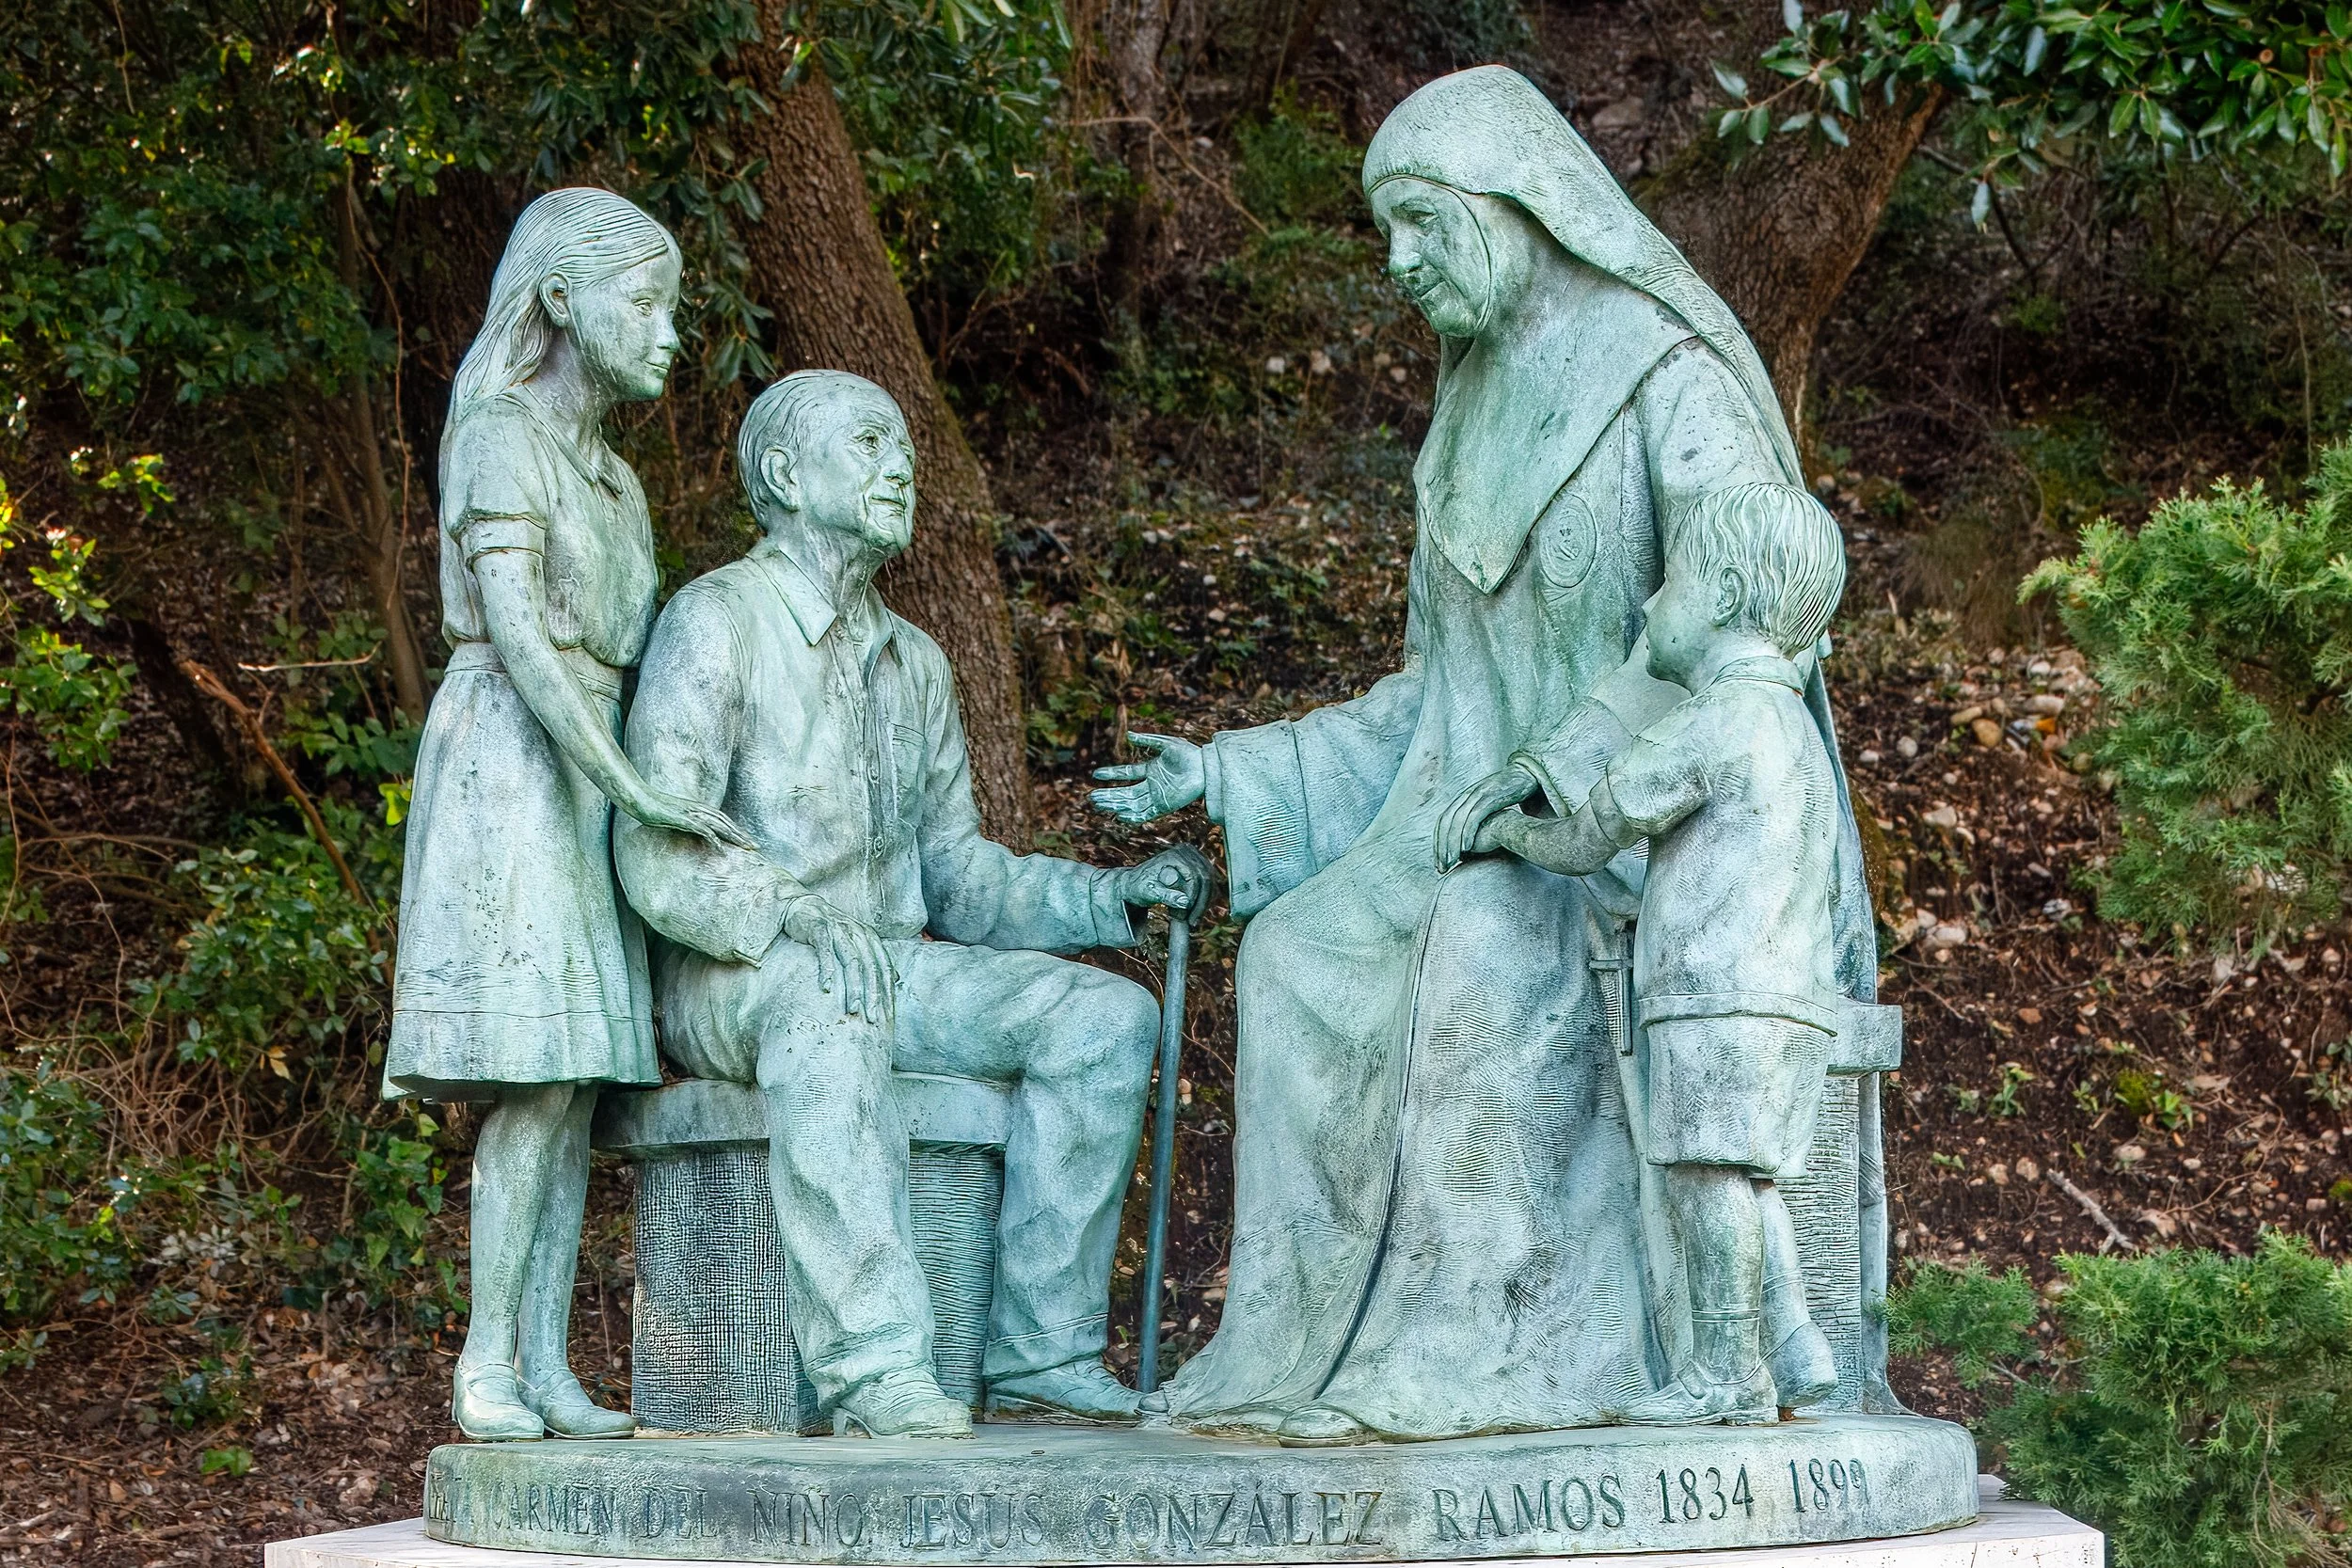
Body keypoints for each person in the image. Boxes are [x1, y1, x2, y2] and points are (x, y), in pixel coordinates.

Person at [1091, 66, 1878, 1445]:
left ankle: (1466, 1350)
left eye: (1420, 222)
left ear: (1513, 203)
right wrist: (1230, 771)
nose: (1396, 262)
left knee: (1481, 931)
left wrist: (1562, 770)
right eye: (1382, 230)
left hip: (1637, 848)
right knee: (1297, 949)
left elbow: (1749, 617)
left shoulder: (1669, 376)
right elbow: (1431, 697)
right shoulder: (1460, 415)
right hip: (1468, 812)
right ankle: (1294, 1352)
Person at [614, 370, 1207, 1439]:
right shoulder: (716, 621)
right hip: (736, 969)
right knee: (828, 995)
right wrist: (788, 911)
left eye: (904, 448)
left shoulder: (917, 663)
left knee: (1103, 1017)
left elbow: (962, 878)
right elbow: (655, 844)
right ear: (785, 474)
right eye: (869, 444)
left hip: (891, 964)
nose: (900, 468)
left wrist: (1108, 895)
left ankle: (1041, 1354)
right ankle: (874, 1362)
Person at [386, 188, 754, 1442]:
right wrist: (635, 785)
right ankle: (486, 1360)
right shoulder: (500, 435)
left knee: (578, 1088)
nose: (667, 331)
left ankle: (541, 1361)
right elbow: (525, 643)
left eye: (671, 308)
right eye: (643, 303)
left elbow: (625, 665)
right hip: (514, 764)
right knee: (535, 1082)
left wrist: (653, 783)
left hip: (588, 770)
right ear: (559, 298)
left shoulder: (619, 482)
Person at [1473, 483, 1849, 1423]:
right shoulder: (1800, 735)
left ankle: (1727, 1373)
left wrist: (1509, 831)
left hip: (1710, 993)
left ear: (1724, 594)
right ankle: (1795, 1342)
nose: (1649, 602)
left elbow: (1589, 834)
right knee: (1750, 1171)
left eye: (1672, 580)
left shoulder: (1712, 720)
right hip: (1791, 999)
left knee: (1704, 1174)